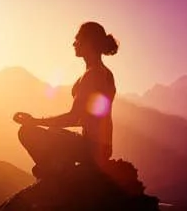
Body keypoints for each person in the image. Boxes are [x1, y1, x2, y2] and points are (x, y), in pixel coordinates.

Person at [13, 21, 118, 179]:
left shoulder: (92, 75)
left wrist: (34, 121)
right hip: (102, 147)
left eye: (77, 39)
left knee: (26, 132)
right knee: (53, 131)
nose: (73, 43)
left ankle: (57, 175)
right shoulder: (105, 73)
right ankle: (57, 168)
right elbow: (87, 118)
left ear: (88, 42)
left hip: (91, 147)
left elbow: (74, 117)